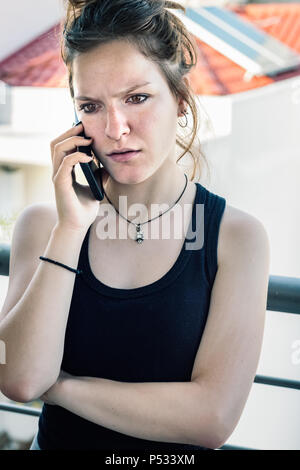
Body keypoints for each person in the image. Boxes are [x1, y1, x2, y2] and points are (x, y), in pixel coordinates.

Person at [0, 0, 270, 451]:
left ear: (180, 101)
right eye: (91, 106)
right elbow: (22, 380)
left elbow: (212, 418)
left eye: (137, 98)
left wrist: (62, 387)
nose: (115, 128)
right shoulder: (45, 225)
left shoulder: (234, 237)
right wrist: (71, 229)